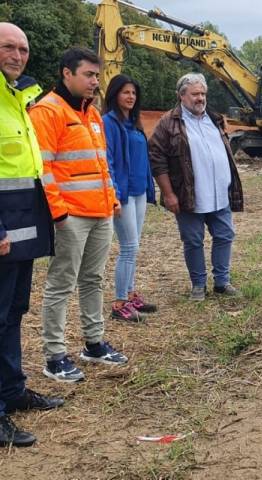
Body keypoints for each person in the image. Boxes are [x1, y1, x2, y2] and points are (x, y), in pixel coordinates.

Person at [30, 47, 128, 383]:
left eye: (96, 75)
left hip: (100, 212)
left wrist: (112, 200)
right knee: (61, 283)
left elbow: (101, 165)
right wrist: (59, 213)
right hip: (71, 216)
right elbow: (42, 168)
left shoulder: (92, 114)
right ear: (66, 74)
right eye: (88, 75)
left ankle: (94, 342)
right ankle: (55, 355)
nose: (94, 81)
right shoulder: (47, 111)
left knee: (93, 279)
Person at [0, 22, 63, 448]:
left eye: (22, 48)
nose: (17, 54)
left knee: (13, 312)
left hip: (22, 229)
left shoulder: (20, 98)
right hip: (3, 230)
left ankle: (11, 391)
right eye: (8, 46)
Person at [149, 73, 243, 301]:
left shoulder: (215, 118)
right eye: (195, 94)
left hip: (220, 193)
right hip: (189, 195)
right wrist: (169, 194)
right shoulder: (168, 122)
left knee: (224, 235)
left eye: (203, 93)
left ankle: (222, 282)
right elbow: (156, 158)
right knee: (193, 240)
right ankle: (198, 285)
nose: (200, 98)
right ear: (182, 96)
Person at [103, 74, 157, 322]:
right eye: (126, 92)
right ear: (115, 94)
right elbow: (108, 159)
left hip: (138, 192)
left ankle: (131, 294)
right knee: (128, 247)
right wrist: (114, 192)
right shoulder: (109, 123)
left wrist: (149, 188)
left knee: (134, 247)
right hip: (122, 194)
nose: (131, 97)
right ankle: (119, 302)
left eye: (134, 93)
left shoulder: (134, 124)